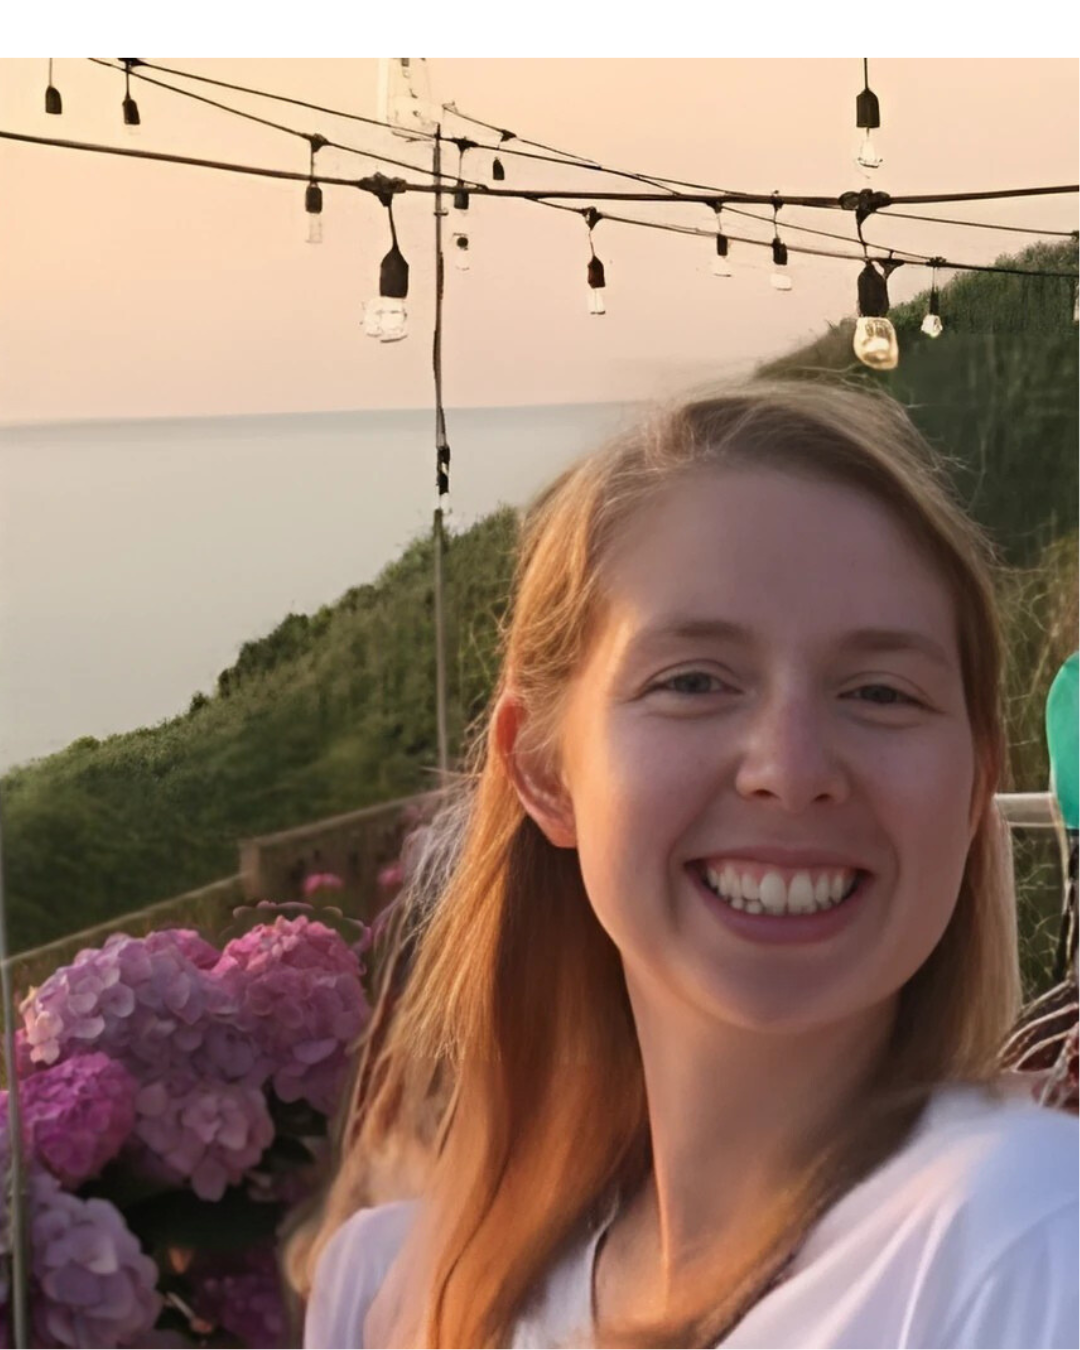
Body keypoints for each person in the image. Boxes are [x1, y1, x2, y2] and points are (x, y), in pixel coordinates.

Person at [296, 380, 1079, 1348]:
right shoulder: (408, 1296)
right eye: (695, 681)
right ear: (543, 768)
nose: (791, 770)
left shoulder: (1028, 1248)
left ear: (973, 788)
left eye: (880, 693)